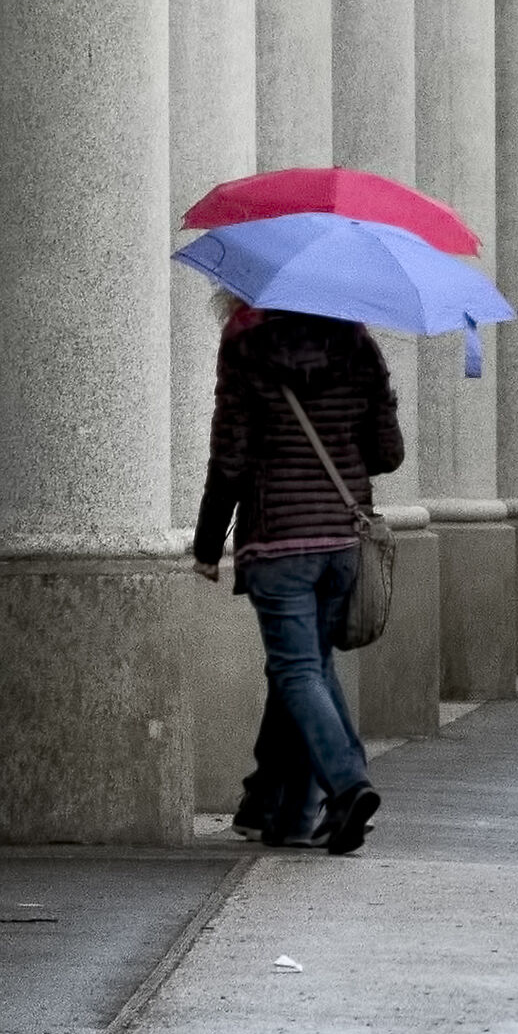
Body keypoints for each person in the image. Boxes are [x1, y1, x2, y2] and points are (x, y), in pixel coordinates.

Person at [192, 297, 404, 856]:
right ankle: (284, 814)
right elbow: (387, 453)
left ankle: (349, 784)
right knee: (306, 669)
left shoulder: (245, 344)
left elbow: (230, 457)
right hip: (341, 540)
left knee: (298, 670)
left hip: (280, 540)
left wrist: (207, 545)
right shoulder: (357, 344)